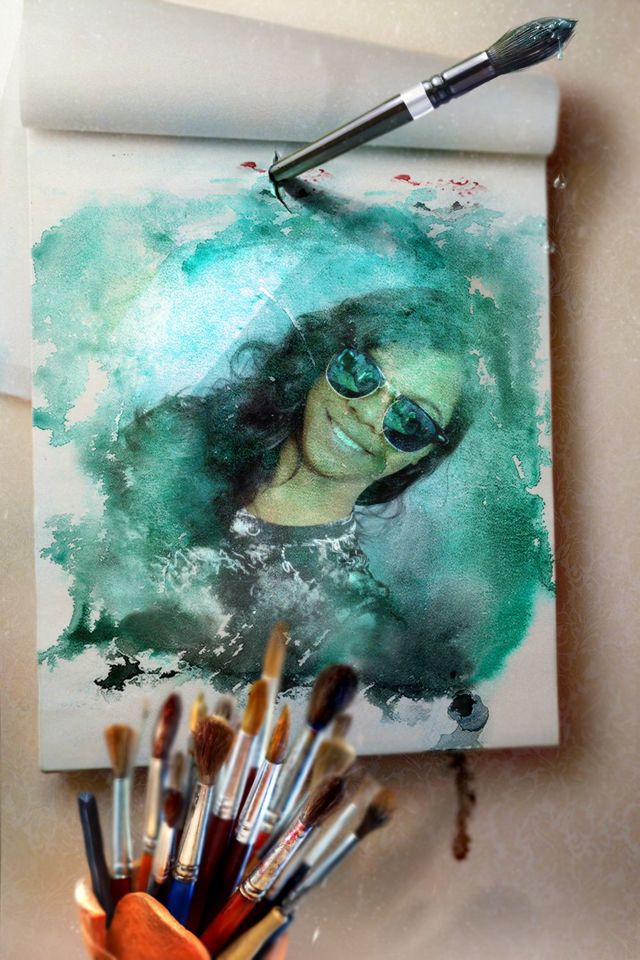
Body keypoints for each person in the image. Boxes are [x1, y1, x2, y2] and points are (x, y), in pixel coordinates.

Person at [90, 286, 484, 704]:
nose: (368, 414)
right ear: (325, 355)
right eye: (362, 373)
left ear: (423, 456)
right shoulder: (169, 445)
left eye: (412, 419)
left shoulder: (352, 632)